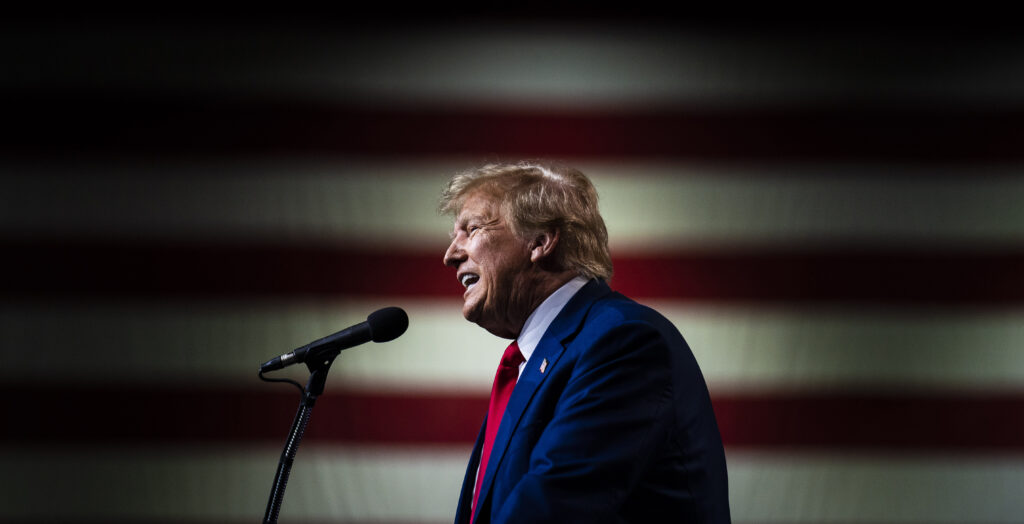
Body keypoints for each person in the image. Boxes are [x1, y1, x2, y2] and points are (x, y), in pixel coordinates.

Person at [440, 162, 730, 524]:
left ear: (540, 241)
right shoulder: (535, 359)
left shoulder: (624, 342)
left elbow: (552, 509)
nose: (450, 255)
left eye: (471, 229)